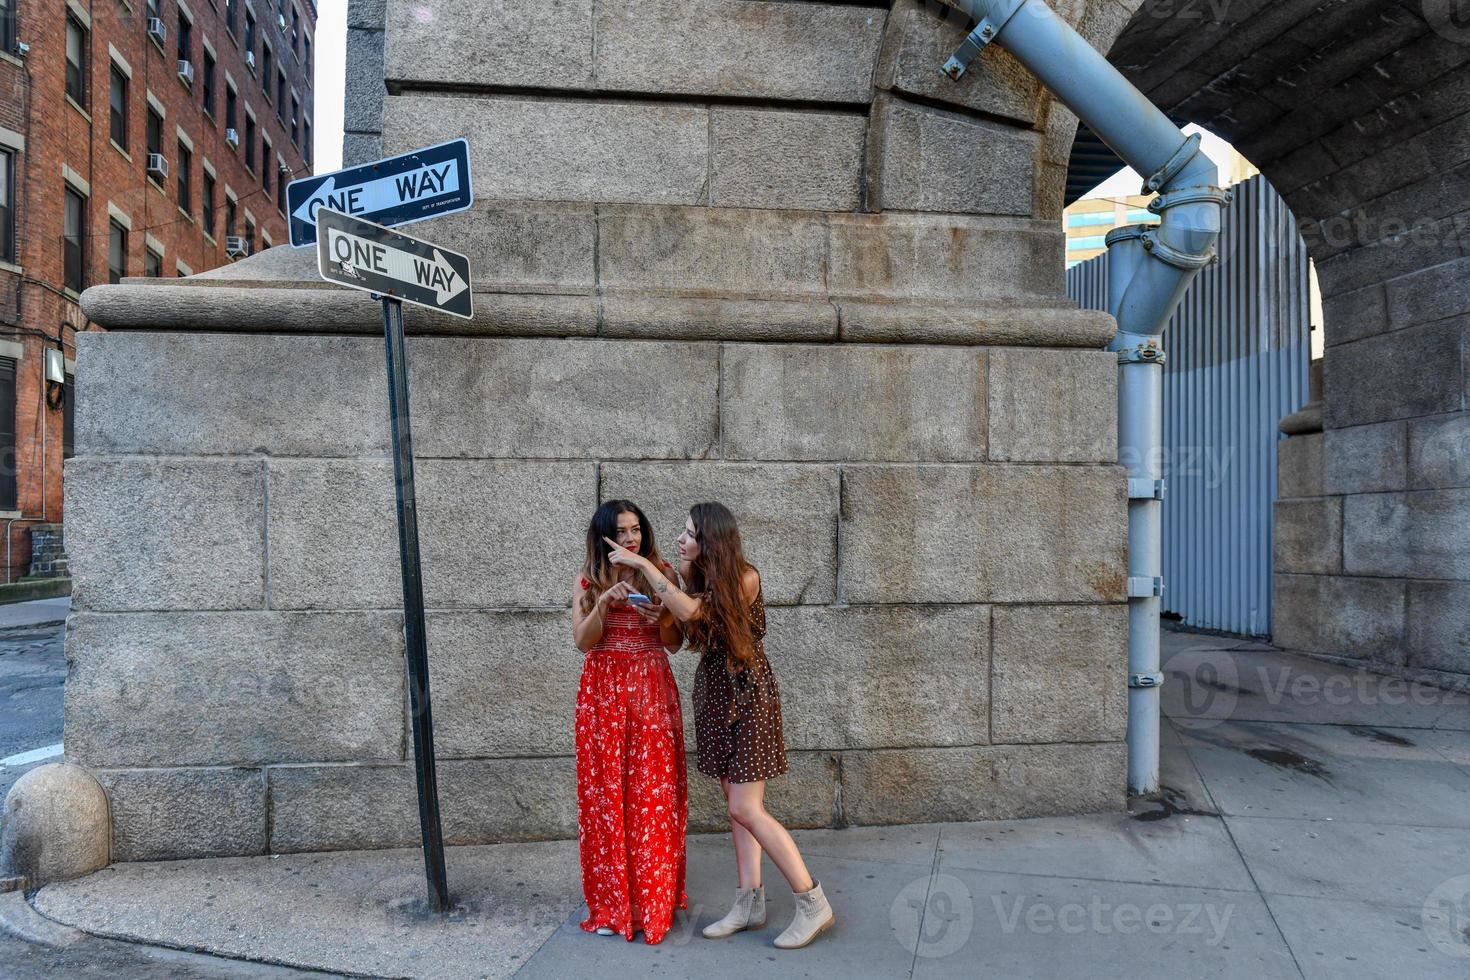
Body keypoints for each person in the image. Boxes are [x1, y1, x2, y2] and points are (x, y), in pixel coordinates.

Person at [602, 501, 835, 950]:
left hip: (748, 696)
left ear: (711, 540)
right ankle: (750, 903)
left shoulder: (746, 576)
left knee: (747, 808)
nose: (680, 539)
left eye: (689, 533)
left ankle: (812, 901)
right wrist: (660, 615)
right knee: (735, 802)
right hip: (715, 693)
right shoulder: (697, 578)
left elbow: (691, 613)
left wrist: (640, 565)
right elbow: (693, 626)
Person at [571, 500, 688, 944]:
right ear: (603, 537)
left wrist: (660, 619)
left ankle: (653, 902)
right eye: (620, 532)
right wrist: (602, 602)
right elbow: (583, 643)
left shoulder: (660, 572)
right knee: (606, 794)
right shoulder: (588, 578)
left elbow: (675, 644)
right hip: (602, 693)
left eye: (635, 529)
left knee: (651, 793)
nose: (629, 539)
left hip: (650, 686)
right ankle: (612, 903)